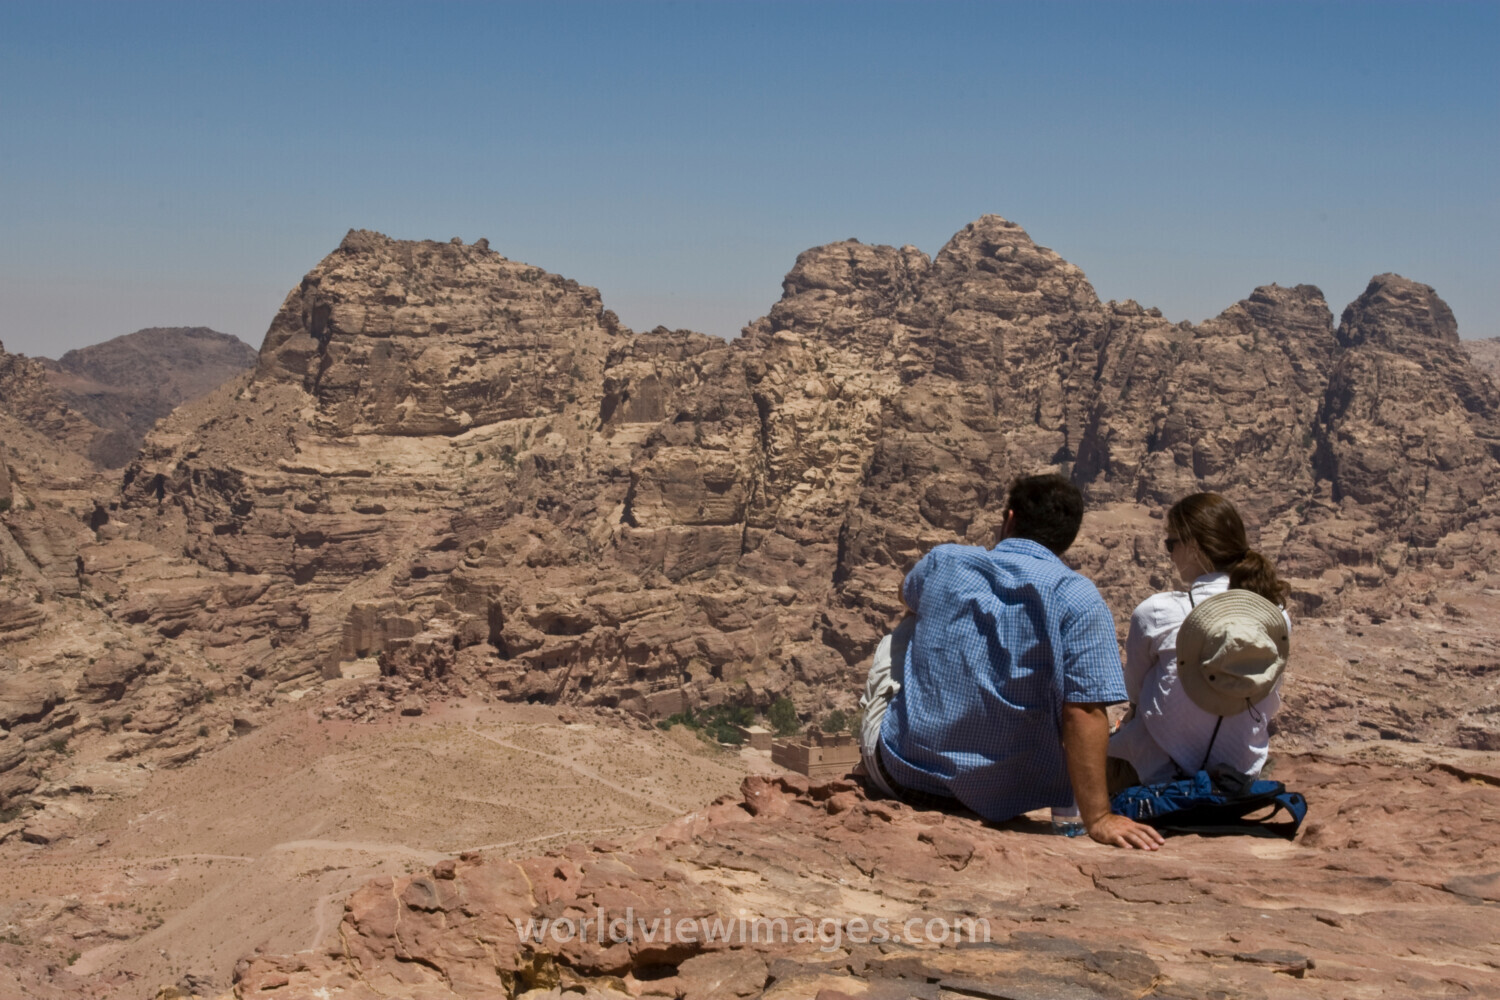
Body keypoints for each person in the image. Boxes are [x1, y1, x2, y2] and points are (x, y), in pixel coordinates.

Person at [858, 474, 1164, 850]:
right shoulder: (1077, 596)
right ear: (1067, 538)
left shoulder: (945, 560)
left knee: (907, 626)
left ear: (1009, 518)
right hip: (1007, 800)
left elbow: (907, 596)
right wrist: (1097, 818)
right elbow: (1083, 712)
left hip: (903, 778)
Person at [1107, 493, 1292, 790]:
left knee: (1084, 756)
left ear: (1192, 546)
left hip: (1157, 777)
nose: (1169, 554)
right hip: (1237, 779)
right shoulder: (1276, 617)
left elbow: (1136, 692)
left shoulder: (1157, 611)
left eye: (1171, 544)